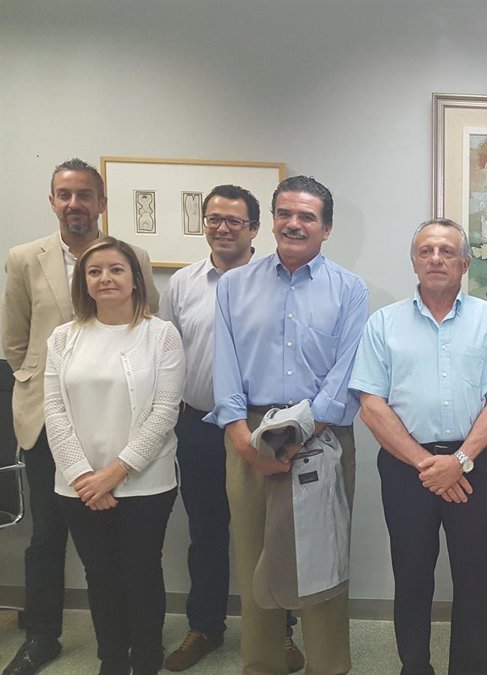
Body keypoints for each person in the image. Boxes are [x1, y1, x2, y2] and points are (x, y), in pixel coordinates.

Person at [2, 159, 158, 675]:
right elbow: (15, 341)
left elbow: (147, 323)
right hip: (48, 422)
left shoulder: (131, 256)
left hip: (119, 424)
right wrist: (49, 387)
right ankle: (41, 636)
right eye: (65, 194)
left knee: (119, 548)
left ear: (101, 202)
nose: (75, 203)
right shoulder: (24, 258)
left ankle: (129, 642)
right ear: (52, 201)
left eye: (85, 194)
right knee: (47, 536)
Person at [207, 176, 367, 675]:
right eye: (285, 214)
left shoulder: (349, 290)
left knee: (322, 564)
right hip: (250, 436)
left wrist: (299, 435)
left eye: (307, 216)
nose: (294, 224)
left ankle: (328, 667)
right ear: (272, 221)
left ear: (326, 228)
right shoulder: (234, 286)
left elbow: (346, 374)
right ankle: (263, 665)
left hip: (322, 436)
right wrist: (242, 439)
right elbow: (225, 366)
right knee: (254, 560)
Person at [351, 218, 487, 675]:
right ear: (414, 261)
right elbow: (371, 405)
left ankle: (473, 668)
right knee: (410, 573)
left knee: (476, 574)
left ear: (464, 263)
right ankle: (415, 666)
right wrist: (430, 465)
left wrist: (460, 461)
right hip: (407, 466)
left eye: (447, 251)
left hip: (476, 463)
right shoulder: (383, 324)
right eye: (426, 251)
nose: (435, 259)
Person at [161, 185, 304, 673]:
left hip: (261, 426)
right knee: (205, 532)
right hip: (200, 425)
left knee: (270, 533)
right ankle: (204, 626)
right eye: (213, 219)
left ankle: (280, 632)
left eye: (234, 221)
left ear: (254, 229)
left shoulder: (276, 283)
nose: (222, 228)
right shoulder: (182, 284)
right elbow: (168, 355)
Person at [43, 237, 181, 674]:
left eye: (116, 269)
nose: (105, 278)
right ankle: (112, 660)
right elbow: (54, 410)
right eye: (94, 271)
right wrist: (84, 475)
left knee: (142, 573)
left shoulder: (161, 335)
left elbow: (165, 411)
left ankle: (146, 658)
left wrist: (115, 472)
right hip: (79, 485)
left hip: (145, 482)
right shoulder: (63, 338)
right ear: (83, 282)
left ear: (136, 279)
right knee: (99, 575)